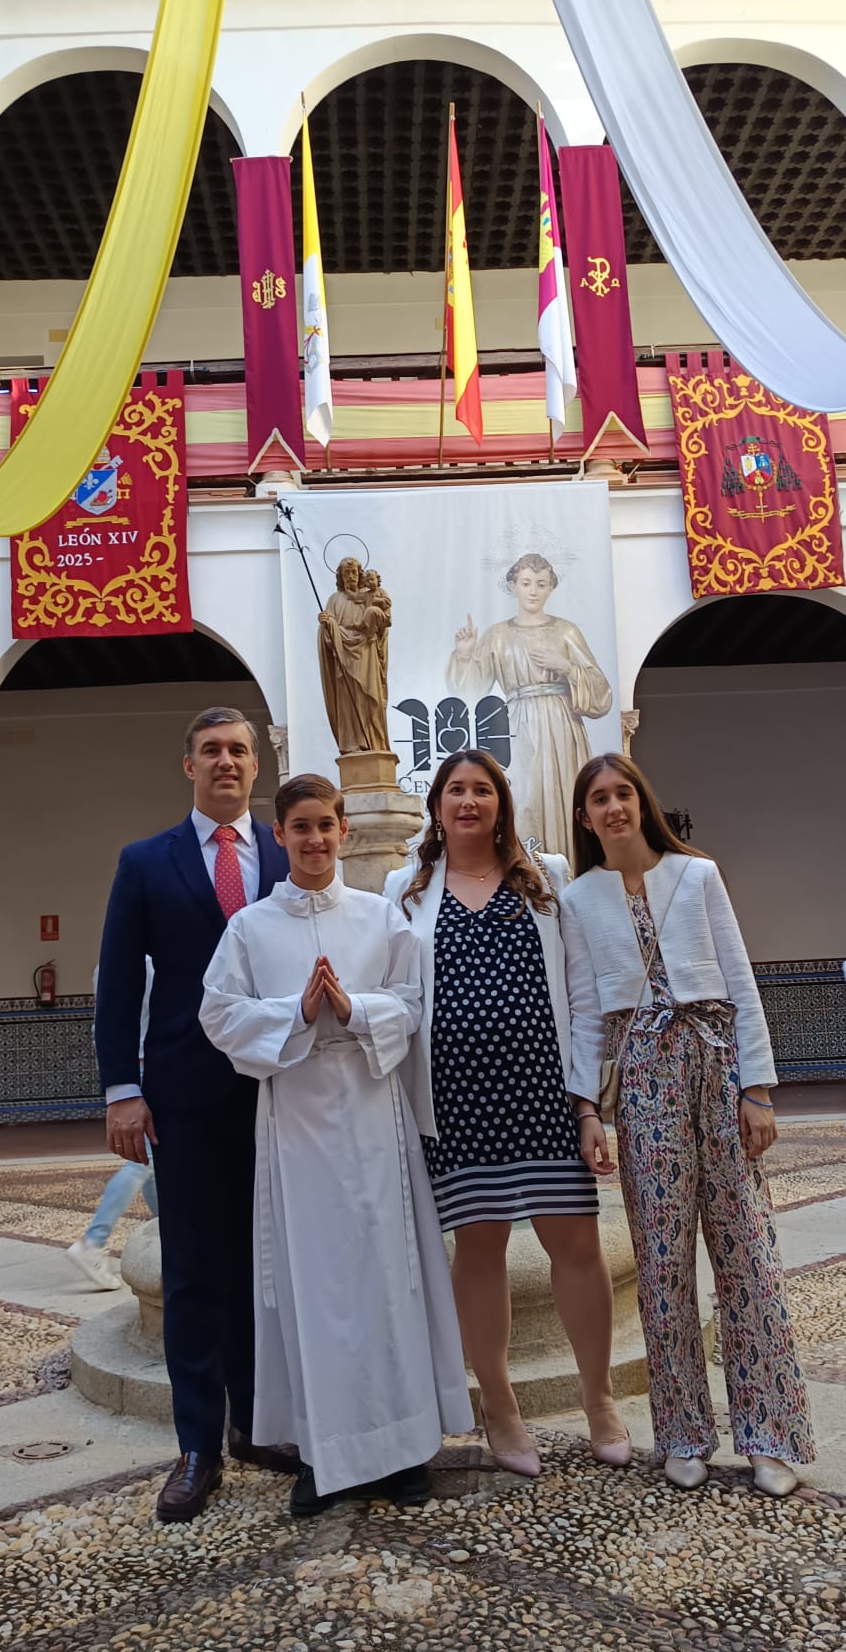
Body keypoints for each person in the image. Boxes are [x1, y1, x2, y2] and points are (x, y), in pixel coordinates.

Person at [199, 773, 474, 1517]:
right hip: (297, 1125)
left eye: (325, 825)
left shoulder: (381, 917)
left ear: (343, 831)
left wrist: (354, 1010)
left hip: (372, 1116)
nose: (315, 839)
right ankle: (326, 1456)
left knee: (388, 1276)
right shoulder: (250, 927)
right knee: (312, 1287)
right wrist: (297, 1010)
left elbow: (412, 1004)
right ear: (279, 836)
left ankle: (404, 1449)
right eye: (301, 827)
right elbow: (218, 1015)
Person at [562, 752, 815, 1497]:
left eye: (623, 794)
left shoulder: (697, 876)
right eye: (599, 799)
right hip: (644, 1082)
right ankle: (680, 1432)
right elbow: (586, 1013)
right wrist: (587, 1109)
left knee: (748, 1255)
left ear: (641, 802)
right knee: (661, 1262)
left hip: (716, 1069)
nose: (614, 807)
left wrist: (756, 1090)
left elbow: (739, 981)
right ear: (584, 817)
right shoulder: (578, 899)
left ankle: (769, 1436)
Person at [384, 750, 630, 1478]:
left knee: (576, 1245)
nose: (468, 801)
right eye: (455, 790)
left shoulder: (545, 878)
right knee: (480, 1247)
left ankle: (598, 1398)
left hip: (542, 1098)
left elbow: (581, 994)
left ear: (501, 804)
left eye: (482, 790)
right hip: (457, 1106)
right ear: (436, 805)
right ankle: (499, 1403)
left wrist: (587, 1104)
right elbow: (394, 995)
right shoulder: (406, 886)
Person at [94, 707, 292, 1522]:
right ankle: (196, 1445)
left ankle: (255, 1425)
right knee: (191, 1270)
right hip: (183, 1093)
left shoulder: (286, 853)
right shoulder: (147, 862)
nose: (225, 762)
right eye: (210, 750)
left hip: (279, 1091)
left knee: (263, 1264)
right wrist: (122, 1089)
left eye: (238, 749)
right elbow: (116, 980)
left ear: (256, 765)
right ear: (189, 766)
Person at [447, 552, 612, 859]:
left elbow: (601, 694)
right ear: (513, 586)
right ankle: (524, 870)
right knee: (523, 799)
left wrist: (566, 666)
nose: (533, 591)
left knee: (564, 796)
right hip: (517, 726)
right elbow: (469, 690)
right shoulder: (498, 634)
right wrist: (465, 655)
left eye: (541, 583)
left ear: (551, 587)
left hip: (561, 724)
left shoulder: (565, 631)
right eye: (526, 583)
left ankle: (571, 867)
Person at [67, 958, 157, 1292]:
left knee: (151, 1162)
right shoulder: (149, 962)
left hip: (129, 1071)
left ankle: (167, 1232)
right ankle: (94, 1241)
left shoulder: (108, 963)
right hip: (147, 1067)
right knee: (142, 1161)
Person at [317, 555, 392, 753]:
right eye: (346, 573)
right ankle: (353, 744)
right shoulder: (334, 600)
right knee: (348, 702)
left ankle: (374, 743)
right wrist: (327, 623)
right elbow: (328, 632)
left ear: (359, 574)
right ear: (340, 577)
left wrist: (377, 625)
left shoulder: (370, 596)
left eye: (353, 572)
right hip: (344, 657)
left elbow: (383, 626)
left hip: (367, 654)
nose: (350, 576)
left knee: (371, 699)